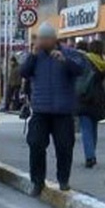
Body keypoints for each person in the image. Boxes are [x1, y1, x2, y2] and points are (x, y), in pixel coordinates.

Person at [20, 23, 84, 196]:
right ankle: (37, 182)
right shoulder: (35, 56)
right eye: (39, 39)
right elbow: (23, 72)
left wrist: (65, 60)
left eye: (44, 39)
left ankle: (63, 180)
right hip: (40, 110)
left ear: (53, 40)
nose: (41, 42)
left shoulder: (68, 53)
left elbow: (80, 69)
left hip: (62, 111)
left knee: (64, 146)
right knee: (35, 144)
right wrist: (32, 56)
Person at [76, 40, 105, 168]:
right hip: (99, 96)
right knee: (93, 127)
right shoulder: (104, 62)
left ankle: (90, 156)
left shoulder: (86, 60)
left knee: (86, 128)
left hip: (86, 96)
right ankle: (92, 153)